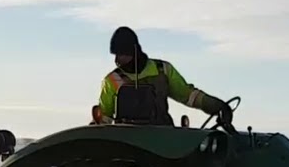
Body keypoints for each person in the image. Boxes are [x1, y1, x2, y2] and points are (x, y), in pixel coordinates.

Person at [94, 26, 233, 127]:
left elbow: (187, 95)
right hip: (127, 143)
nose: (118, 60)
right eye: (116, 55)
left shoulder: (163, 70)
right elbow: (105, 117)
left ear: (134, 51)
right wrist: (93, 130)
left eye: (122, 54)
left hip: (163, 140)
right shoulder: (111, 80)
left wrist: (215, 105)